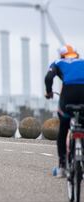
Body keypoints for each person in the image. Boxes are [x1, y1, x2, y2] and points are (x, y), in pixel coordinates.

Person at [45, 44, 84, 178]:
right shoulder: (82, 62)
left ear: (62, 55)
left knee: (63, 128)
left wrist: (49, 92)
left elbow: (48, 78)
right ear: (75, 54)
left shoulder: (58, 62)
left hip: (68, 95)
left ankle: (62, 166)